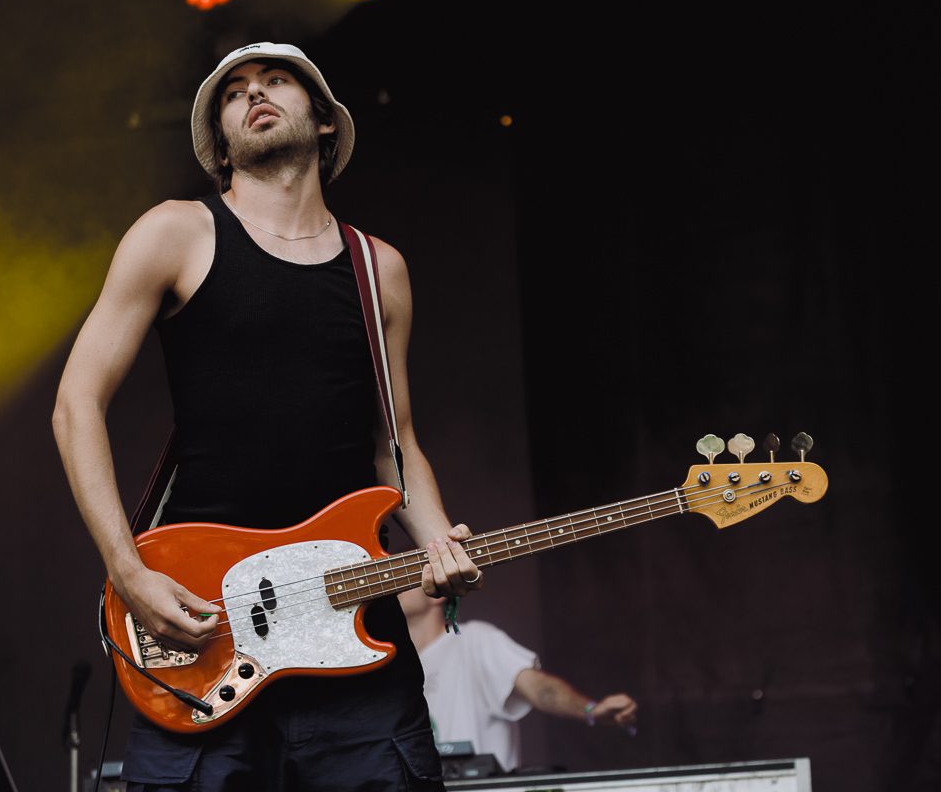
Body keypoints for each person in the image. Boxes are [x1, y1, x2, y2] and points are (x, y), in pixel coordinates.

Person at [52, 42, 482, 792]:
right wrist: (128, 571)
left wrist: (440, 541)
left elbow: (394, 442)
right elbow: (75, 404)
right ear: (221, 143)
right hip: (207, 626)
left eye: (276, 80)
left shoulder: (378, 267)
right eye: (233, 91)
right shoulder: (177, 233)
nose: (253, 93)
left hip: (356, 635)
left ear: (324, 120)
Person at [399, 588, 638, 773]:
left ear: (437, 592)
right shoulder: (394, 666)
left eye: (407, 576)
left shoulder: (475, 640)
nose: (395, 586)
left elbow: (539, 689)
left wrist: (591, 710)